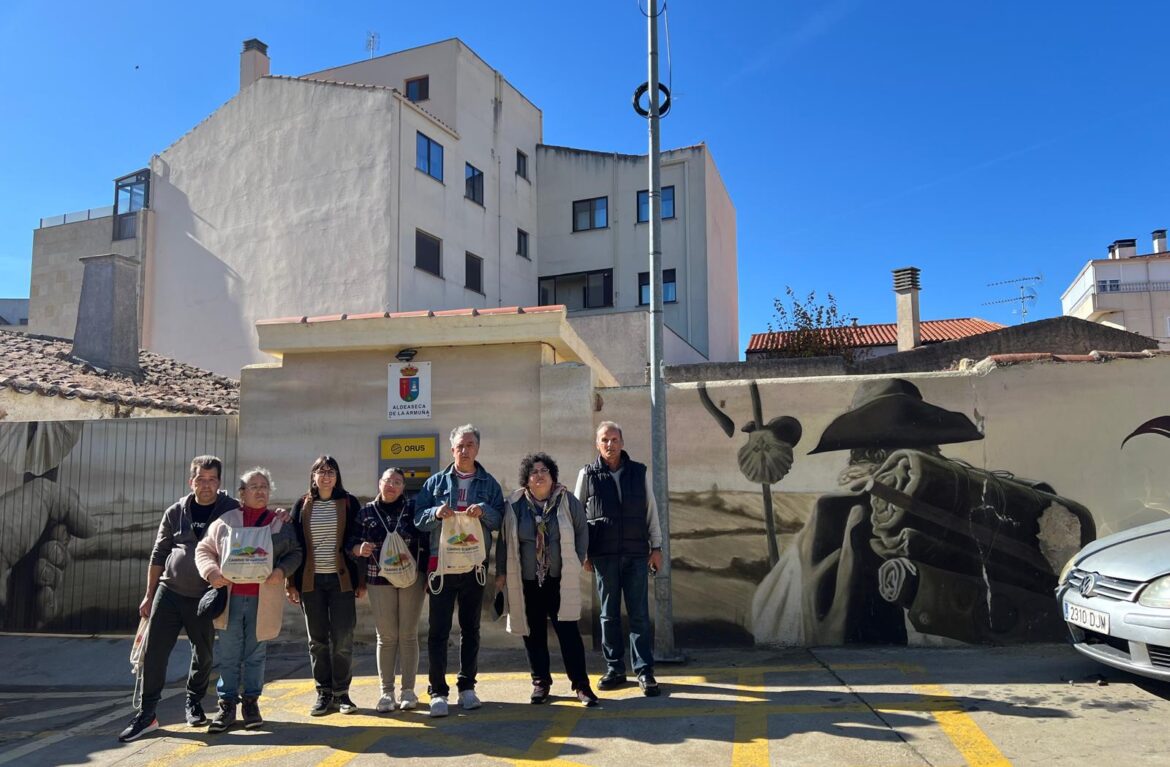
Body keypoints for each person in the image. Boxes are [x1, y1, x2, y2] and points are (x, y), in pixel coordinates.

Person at [118, 455, 240, 742]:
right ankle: (147, 715)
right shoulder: (176, 511)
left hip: (206, 595)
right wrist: (149, 595)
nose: (206, 485)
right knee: (155, 652)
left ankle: (194, 701)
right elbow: (159, 554)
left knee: (205, 653)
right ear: (191, 481)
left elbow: (258, 522)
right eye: (200, 479)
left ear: (219, 482)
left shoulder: (231, 509)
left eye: (211, 480)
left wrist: (282, 516)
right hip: (169, 592)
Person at [195, 467, 303, 732]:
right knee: (229, 654)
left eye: (264, 486)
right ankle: (227, 706)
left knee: (256, 654)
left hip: (262, 600)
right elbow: (204, 549)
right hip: (230, 600)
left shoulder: (279, 523)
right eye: (253, 486)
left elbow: (295, 552)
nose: (260, 491)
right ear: (241, 493)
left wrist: (282, 571)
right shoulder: (226, 521)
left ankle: (251, 703)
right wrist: (212, 573)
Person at [414, 424, 503, 718]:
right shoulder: (435, 483)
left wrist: (485, 511)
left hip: (474, 567)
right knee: (438, 631)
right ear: (451, 450)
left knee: (470, 629)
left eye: (469, 446)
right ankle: (437, 691)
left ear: (477, 449)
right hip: (442, 567)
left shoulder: (489, 484)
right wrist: (435, 513)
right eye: (459, 446)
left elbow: (499, 520)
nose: (464, 451)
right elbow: (418, 518)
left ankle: (467, 687)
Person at [496, 452, 597, 707]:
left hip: (559, 580)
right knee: (533, 633)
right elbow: (505, 541)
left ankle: (581, 685)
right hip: (528, 580)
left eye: (544, 471)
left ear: (552, 477)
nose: (539, 476)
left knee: (569, 633)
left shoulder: (567, 501)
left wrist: (577, 559)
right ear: (526, 480)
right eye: (534, 472)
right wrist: (501, 575)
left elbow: (582, 530)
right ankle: (541, 683)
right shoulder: (515, 504)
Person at [575, 421, 662, 697]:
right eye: (604, 440)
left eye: (614, 439)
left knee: (639, 615)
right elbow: (578, 518)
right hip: (604, 556)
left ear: (622, 443)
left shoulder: (638, 472)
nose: (610, 444)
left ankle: (644, 671)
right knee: (608, 615)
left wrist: (656, 547)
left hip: (637, 554)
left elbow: (651, 511)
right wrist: (583, 553)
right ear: (597, 444)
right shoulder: (587, 475)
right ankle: (614, 669)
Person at [287, 455, 365, 716]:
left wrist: (361, 581)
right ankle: (323, 693)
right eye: (321, 471)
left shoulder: (348, 502)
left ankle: (342, 693)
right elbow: (293, 545)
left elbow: (357, 540)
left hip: (341, 580)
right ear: (313, 476)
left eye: (331, 471)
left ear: (337, 476)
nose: (326, 475)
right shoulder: (302, 504)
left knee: (343, 638)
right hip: (312, 581)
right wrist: (291, 583)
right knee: (317, 640)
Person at [347, 467, 429, 713]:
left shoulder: (413, 509)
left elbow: (426, 542)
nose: (391, 485)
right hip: (377, 579)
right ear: (379, 483)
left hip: (411, 578)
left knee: (408, 634)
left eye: (397, 482)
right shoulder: (366, 512)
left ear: (404, 487)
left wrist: (427, 573)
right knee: (386, 636)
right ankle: (386, 692)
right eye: (387, 481)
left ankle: (408, 690)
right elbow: (350, 542)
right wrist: (359, 548)